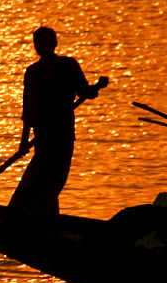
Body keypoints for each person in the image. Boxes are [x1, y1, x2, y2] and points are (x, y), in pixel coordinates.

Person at [9, 25, 107, 215]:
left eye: (44, 41)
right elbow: (28, 110)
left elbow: (85, 92)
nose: (40, 46)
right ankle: (37, 219)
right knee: (42, 182)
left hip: (62, 136)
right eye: (37, 42)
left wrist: (98, 86)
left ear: (54, 43)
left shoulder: (68, 65)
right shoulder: (33, 72)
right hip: (44, 137)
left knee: (53, 183)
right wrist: (22, 143)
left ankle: (48, 222)